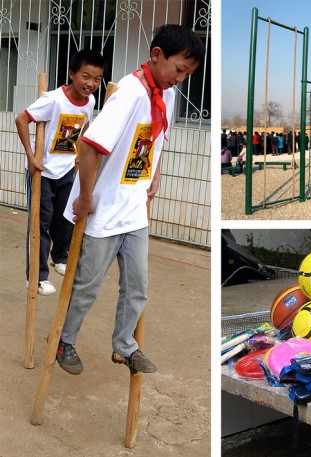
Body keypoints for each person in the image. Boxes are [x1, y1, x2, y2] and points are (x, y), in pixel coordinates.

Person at [55, 24, 204, 375]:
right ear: (156, 56)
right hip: (103, 209)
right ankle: (65, 341)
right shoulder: (130, 93)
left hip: (134, 208)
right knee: (87, 286)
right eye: (179, 69)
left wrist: (155, 175)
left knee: (137, 286)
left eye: (189, 74)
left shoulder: (165, 94)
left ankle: (125, 346)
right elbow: (90, 146)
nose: (181, 79)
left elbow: (157, 140)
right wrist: (85, 198)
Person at [15, 49, 106, 296]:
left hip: (67, 170)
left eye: (97, 79)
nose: (91, 84)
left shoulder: (91, 102)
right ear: (72, 74)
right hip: (42, 172)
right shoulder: (53, 99)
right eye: (86, 77)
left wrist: (80, 153)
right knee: (40, 224)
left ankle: (59, 257)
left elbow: (84, 125)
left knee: (66, 218)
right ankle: (36, 277)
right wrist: (31, 156)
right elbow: (21, 119)